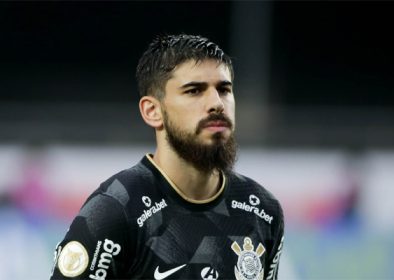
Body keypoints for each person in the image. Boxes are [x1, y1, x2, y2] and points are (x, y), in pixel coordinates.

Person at [50, 34, 284, 280]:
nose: (217, 103)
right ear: (153, 111)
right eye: (194, 91)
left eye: (224, 89)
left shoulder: (263, 210)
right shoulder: (115, 210)